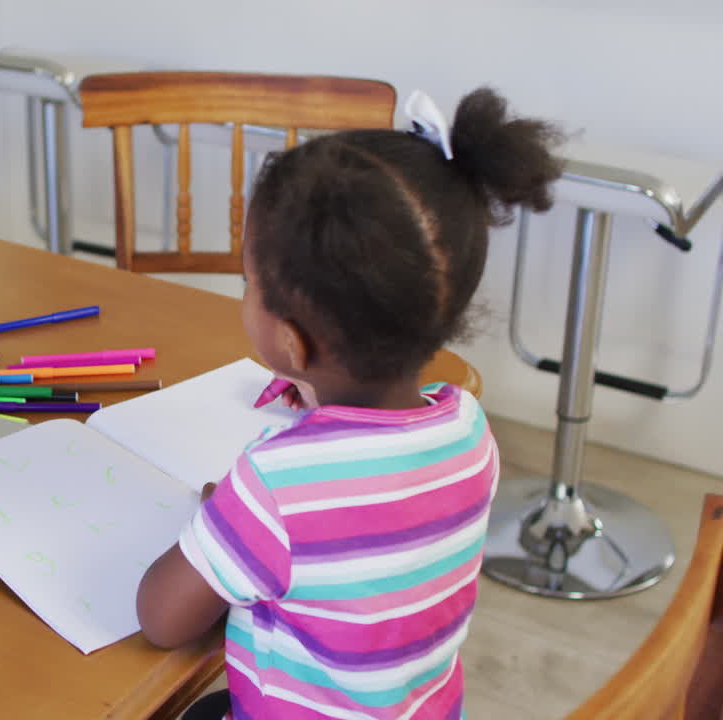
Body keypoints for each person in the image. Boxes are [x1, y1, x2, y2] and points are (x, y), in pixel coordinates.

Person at [136, 88, 563, 719]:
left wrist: (226, 525)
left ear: (290, 341)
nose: (245, 294)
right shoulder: (471, 431)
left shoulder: (275, 486)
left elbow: (161, 619)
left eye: (248, 283)